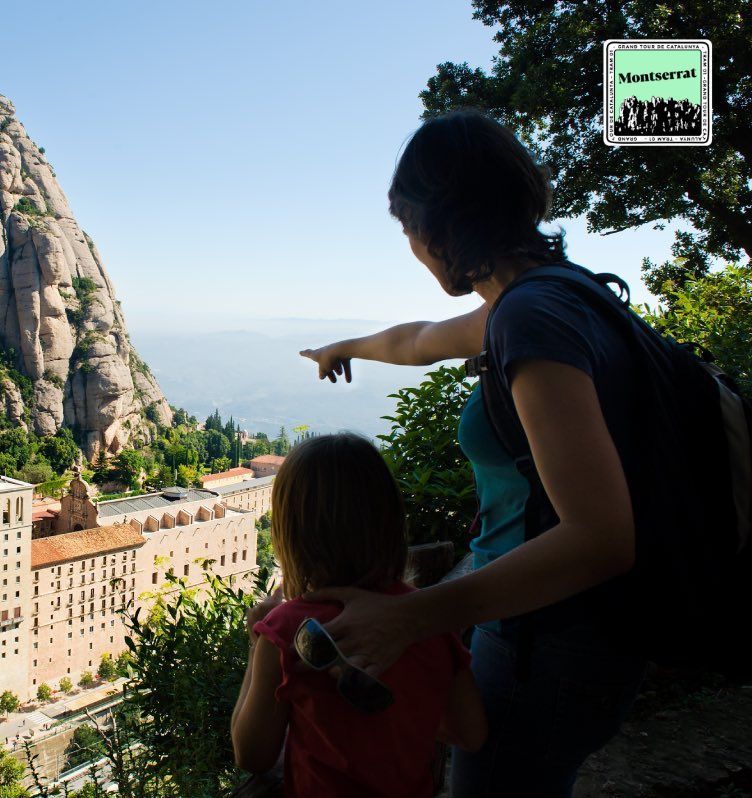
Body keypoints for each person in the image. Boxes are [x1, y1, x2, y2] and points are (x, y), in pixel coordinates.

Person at [293, 109, 648, 796]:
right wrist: (347, 348)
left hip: (552, 639)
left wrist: (411, 618)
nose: (410, 247)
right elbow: (422, 339)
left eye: (405, 227)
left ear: (439, 222)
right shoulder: (560, 291)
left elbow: (602, 538)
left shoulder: (531, 318)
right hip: (571, 634)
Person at [231, 434, 486, 798]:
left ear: (292, 532)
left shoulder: (286, 629)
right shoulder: (424, 618)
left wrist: (257, 645)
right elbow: (470, 732)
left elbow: (251, 755)